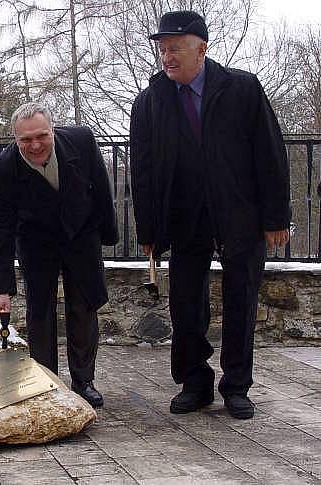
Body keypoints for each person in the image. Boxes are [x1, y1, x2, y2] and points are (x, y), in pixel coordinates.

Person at [130, 11, 290, 419]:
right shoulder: (150, 102)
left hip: (240, 214)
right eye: (163, 49)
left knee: (241, 299)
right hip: (185, 217)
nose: (167, 56)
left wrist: (276, 217)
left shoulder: (241, 89)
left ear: (201, 48)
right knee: (186, 304)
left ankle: (236, 386)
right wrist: (148, 229)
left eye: (175, 48)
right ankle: (194, 381)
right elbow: (143, 171)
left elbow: (271, 154)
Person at [0, 102, 118, 408]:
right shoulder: (2, 170)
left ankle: (84, 381)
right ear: (14, 139)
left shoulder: (82, 141)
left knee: (83, 306)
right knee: (40, 309)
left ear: (53, 130)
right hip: (35, 239)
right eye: (25, 140)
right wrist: (1, 288)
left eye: (41, 136)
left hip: (81, 232)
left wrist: (106, 235)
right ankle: (46, 381)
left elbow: (100, 188)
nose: (34, 145)